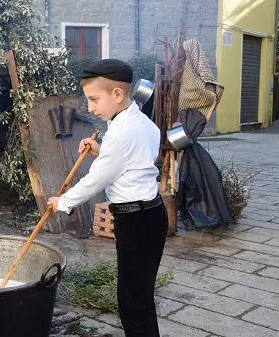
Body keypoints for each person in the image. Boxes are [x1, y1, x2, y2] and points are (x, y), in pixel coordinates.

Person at [47, 59, 167, 337]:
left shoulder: (120, 133)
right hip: (151, 215)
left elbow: (96, 180)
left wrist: (61, 202)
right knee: (141, 296)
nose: (90, 108)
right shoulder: (142, 122)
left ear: (117, 94)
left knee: (132, 305)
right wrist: (101, 151)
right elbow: (132, 163)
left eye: (94, 99)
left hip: (135, 221)